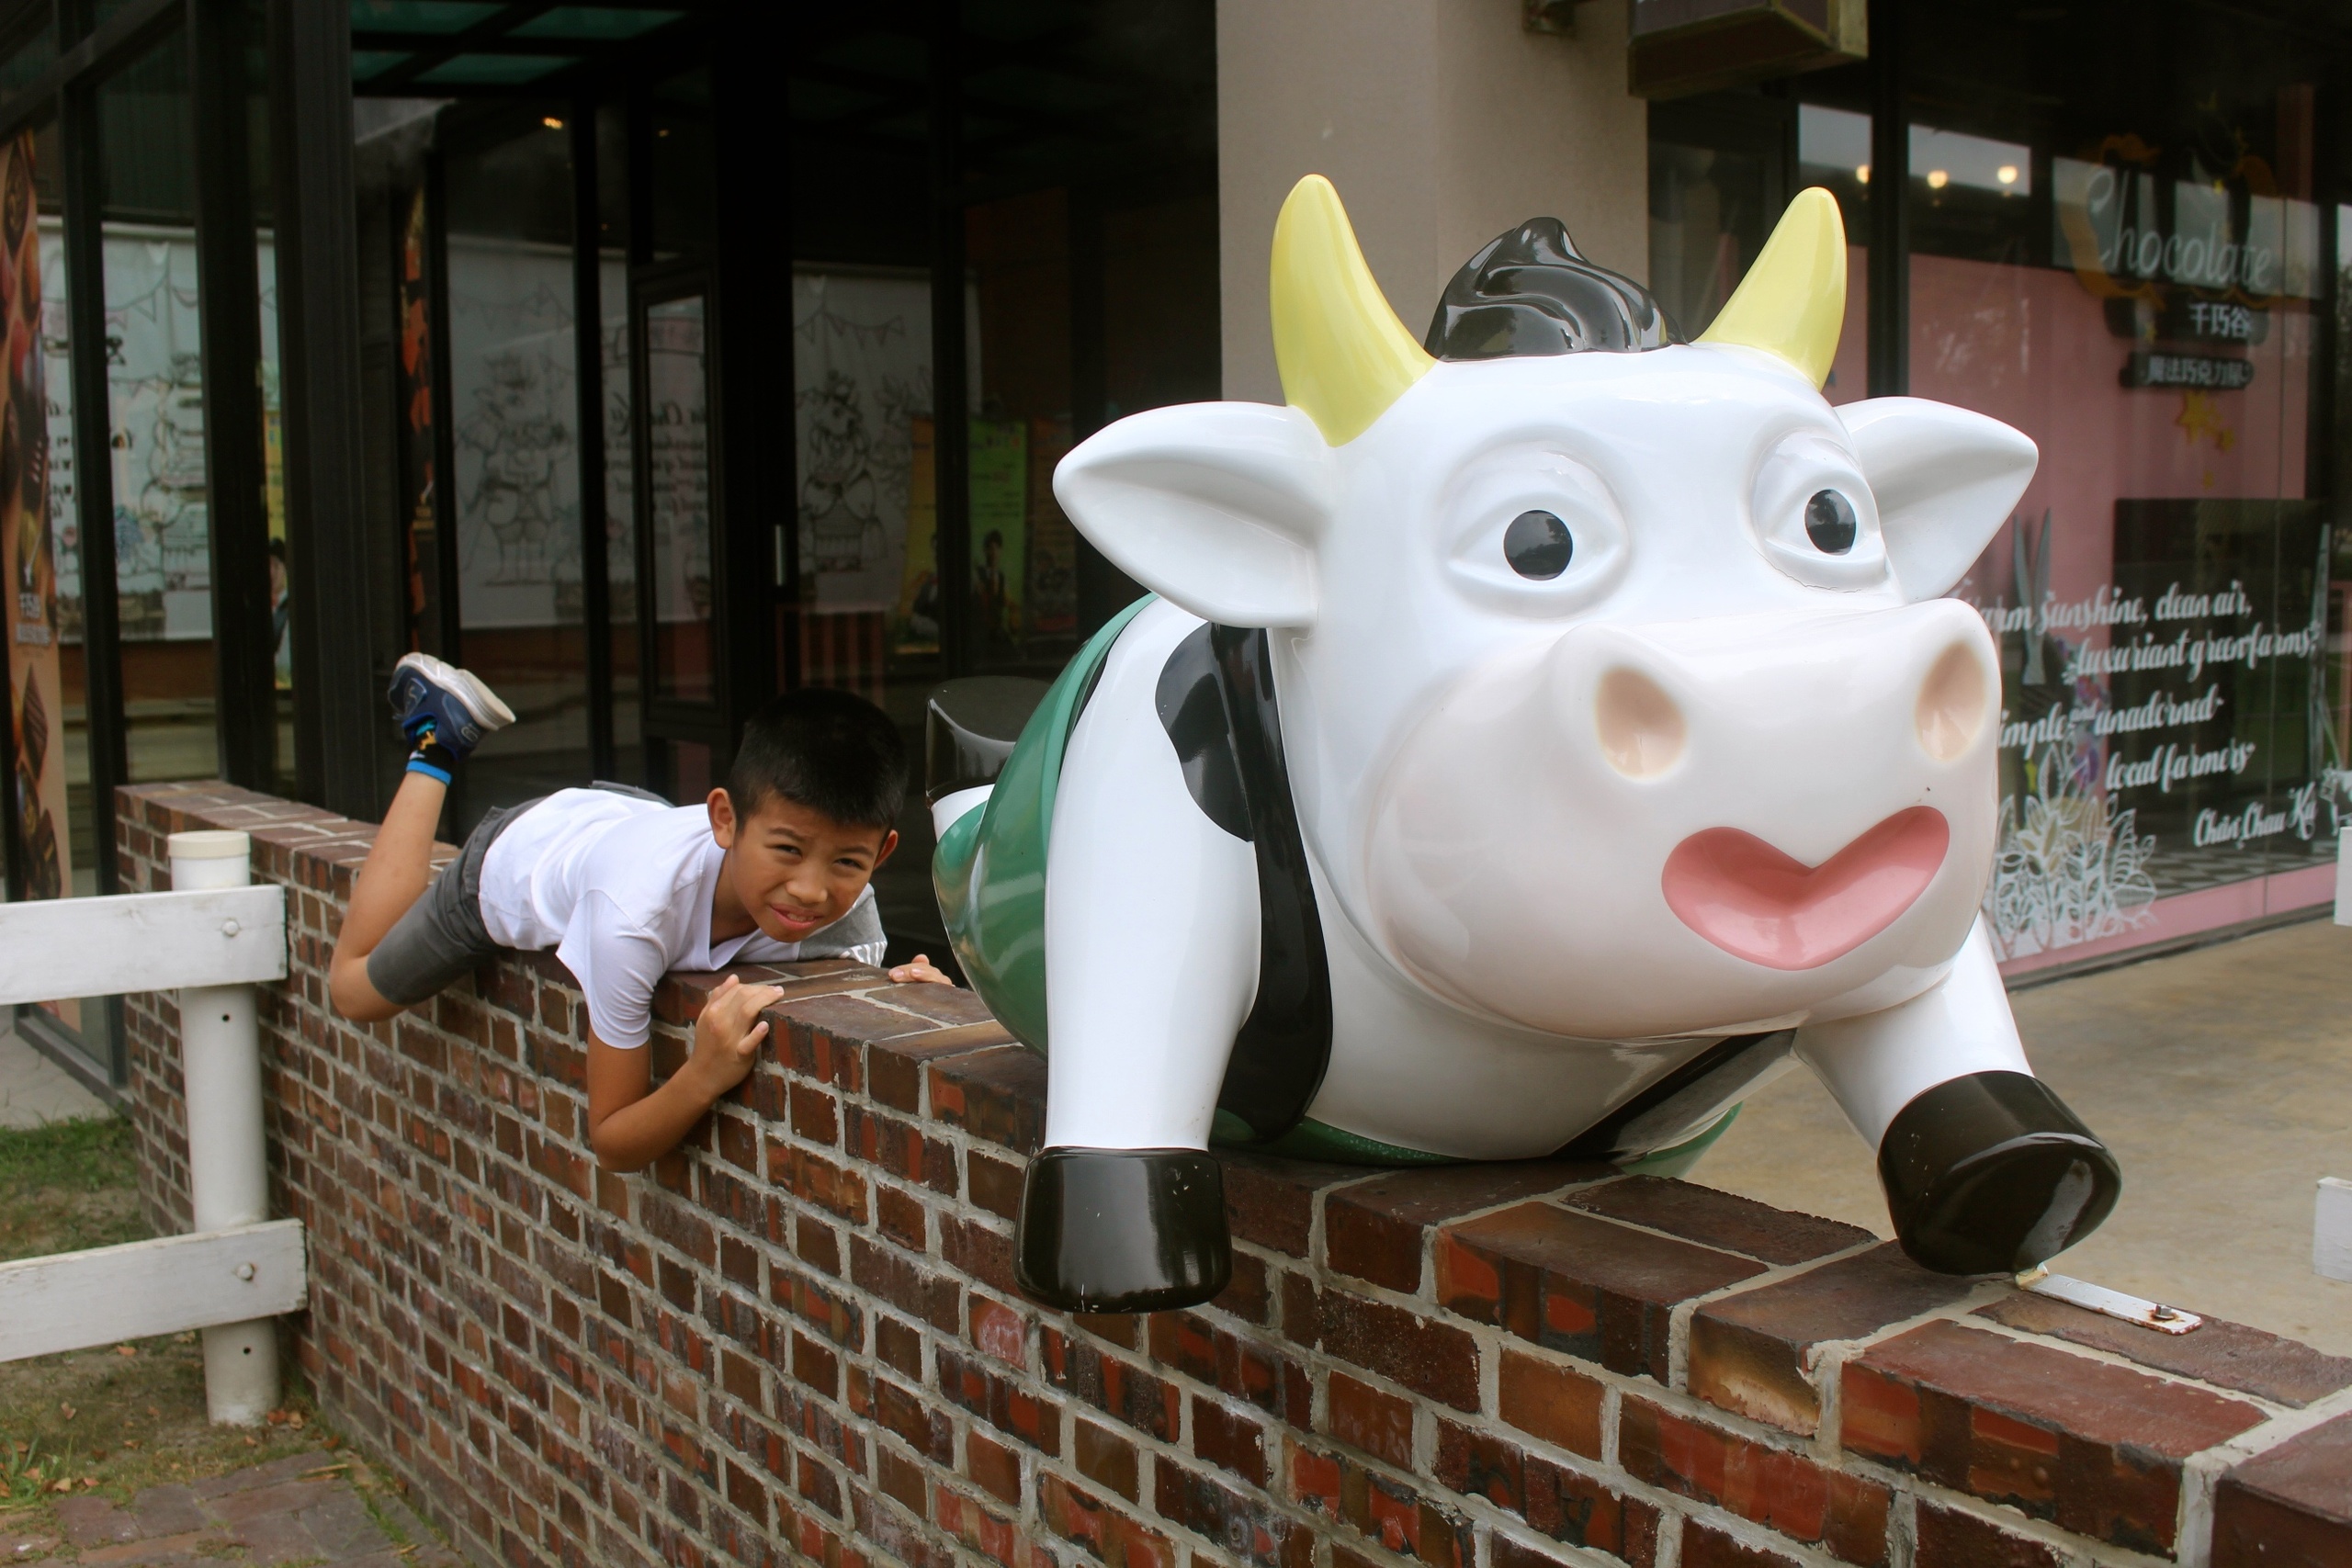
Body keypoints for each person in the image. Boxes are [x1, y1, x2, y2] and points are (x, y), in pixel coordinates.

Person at [328, 652, 952, 1171]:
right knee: (356, 989)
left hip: (637, 825)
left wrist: (916, 997)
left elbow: (853, 994)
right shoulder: (630, 917)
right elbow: (612, 1139)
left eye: (846, 862)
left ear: (882, 854)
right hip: (522, 855)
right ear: (726, 820)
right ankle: (436, 742)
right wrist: (702, 1074)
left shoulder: (851, 909)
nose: (812, 891)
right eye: (787, 849)